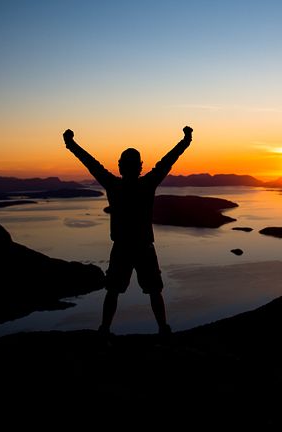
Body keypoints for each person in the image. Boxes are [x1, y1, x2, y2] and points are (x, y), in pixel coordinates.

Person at [63, 126, 193, 337]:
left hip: (122, 248)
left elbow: (91, 163)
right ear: (140, 167)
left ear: (121, 166)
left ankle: (105, 330)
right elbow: (168, 161)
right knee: (152, 291)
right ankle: (162, 330)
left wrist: (71, 143)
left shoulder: (114, 185)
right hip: (143, 247)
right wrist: (186, 140)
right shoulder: (146, 184)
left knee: (114, 291)